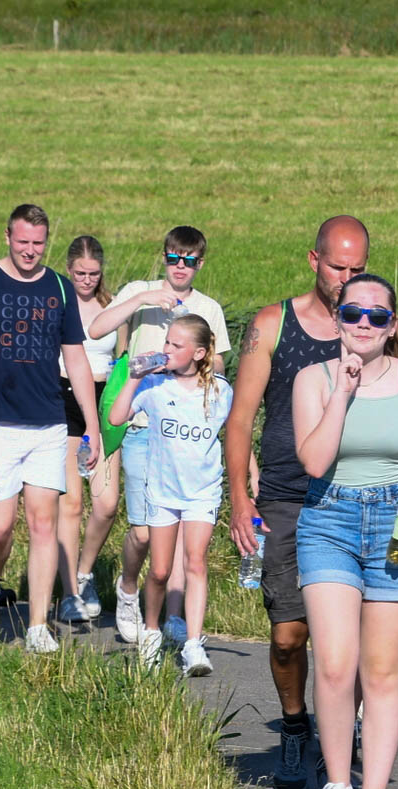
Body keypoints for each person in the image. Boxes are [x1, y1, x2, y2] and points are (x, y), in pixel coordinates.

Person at [292, 273, 398, 789]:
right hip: (328, 520)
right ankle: (338, 788)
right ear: (337, 319)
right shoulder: (313, 379)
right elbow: (314, 461)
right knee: (336, 665)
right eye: (353, 313)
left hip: (395, 525)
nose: (364, 324)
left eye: (377, 316)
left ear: (392, 325)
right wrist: (343, 391)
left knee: (382, 672)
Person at [226, 215, 371, 789]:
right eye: (337, 267)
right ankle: (294, 725)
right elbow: (240, 420)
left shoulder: (375, 323)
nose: (347, 279)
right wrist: (240, 500)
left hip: (355, 494)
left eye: (358, 268)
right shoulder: (273, 325)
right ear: (314, 261)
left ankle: (346, 727)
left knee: (350, 636)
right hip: (287, 495)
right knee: (289, 634)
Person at [0, 204, 103, 653]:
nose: (30, 251)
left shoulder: (59, 287)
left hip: (48, 423)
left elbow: (76, 360)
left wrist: (91, 426)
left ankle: (37, 625)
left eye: (38, 243)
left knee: (43, 522)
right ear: (7, 237)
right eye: (23, 242)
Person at [89, 226, 231, 648]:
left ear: (200, 264)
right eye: (173, 258)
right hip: (141, 425)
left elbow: (218, 365)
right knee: (145, 532)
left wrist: (194, 371)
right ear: (164, 257)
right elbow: (97, 329)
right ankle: (128, 588)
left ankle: (173, 617)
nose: (180, 267)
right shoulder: (141, 291)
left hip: (184, 430)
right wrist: (141, 301)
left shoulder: (208, 308)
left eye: (189, 261)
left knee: (184, 535)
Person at [107, 315, 232, 675]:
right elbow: (116, 418)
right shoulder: (154, 386)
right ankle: (151, 632)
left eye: (177, 345)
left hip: (202, 491)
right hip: (162, 490)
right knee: (160, 571)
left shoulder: (220, 390)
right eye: (167, 342)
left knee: (195, 563)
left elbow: (233, 432)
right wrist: (135, 378)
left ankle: (193, 645)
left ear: (199, 353)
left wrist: (249, 473)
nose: (167, 349)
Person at [56, 236, 126, 625]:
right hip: (64, 398)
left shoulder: (113, 306)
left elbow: (122, 358)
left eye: (93, 273)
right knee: (71, 503)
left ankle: (84, 574)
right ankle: (68, 591)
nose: (86, 280)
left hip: (103, 400)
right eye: (80, 273)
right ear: (69, 270)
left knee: (106, 503)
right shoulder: (57, 302)